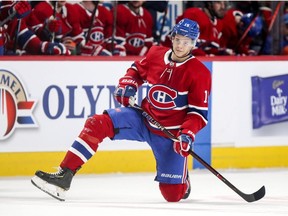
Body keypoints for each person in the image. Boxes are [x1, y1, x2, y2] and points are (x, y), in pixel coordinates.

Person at [31, 18, 212, 203]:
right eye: (178, 39)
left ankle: (183, 179)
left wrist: (187, 134)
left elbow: (198, 113)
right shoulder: (156, 54)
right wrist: (129, 85)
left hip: (170, 136)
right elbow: (136, 70)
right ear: (172, 37)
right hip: (143, 119)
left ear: (193, 44)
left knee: (172, 195)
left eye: (187, 41)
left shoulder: (200, 73)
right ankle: (64, 176)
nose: (181, 45)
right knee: (97, 123)